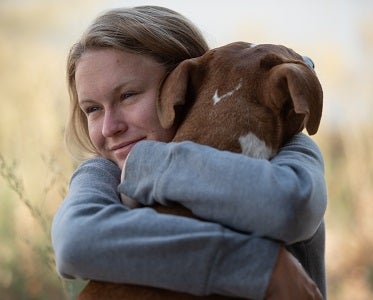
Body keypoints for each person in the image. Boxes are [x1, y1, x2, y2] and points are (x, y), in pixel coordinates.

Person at [51, 5, 327, 299]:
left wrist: (148, 164)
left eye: (128, 95)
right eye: (92, 109)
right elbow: (76, 244)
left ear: (185, 83)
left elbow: (292, 208)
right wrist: (261, 267)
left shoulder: (282, 144)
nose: (109, 128)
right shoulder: (104, 172)